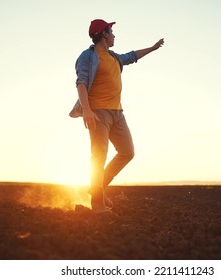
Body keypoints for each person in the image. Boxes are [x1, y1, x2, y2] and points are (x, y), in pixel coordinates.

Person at [70, 19, 164, 212]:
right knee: (99, 156)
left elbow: (131, 56)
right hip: (98, 113)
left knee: (127, 152)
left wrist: (152, 48)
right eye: (111, 31)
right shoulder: (89, 56)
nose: (114, 35)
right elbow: (81, 83)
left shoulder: (113, 57)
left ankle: (98, 189)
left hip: (117, 114)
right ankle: (97, 204)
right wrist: (87, 110)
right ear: (104, 34)